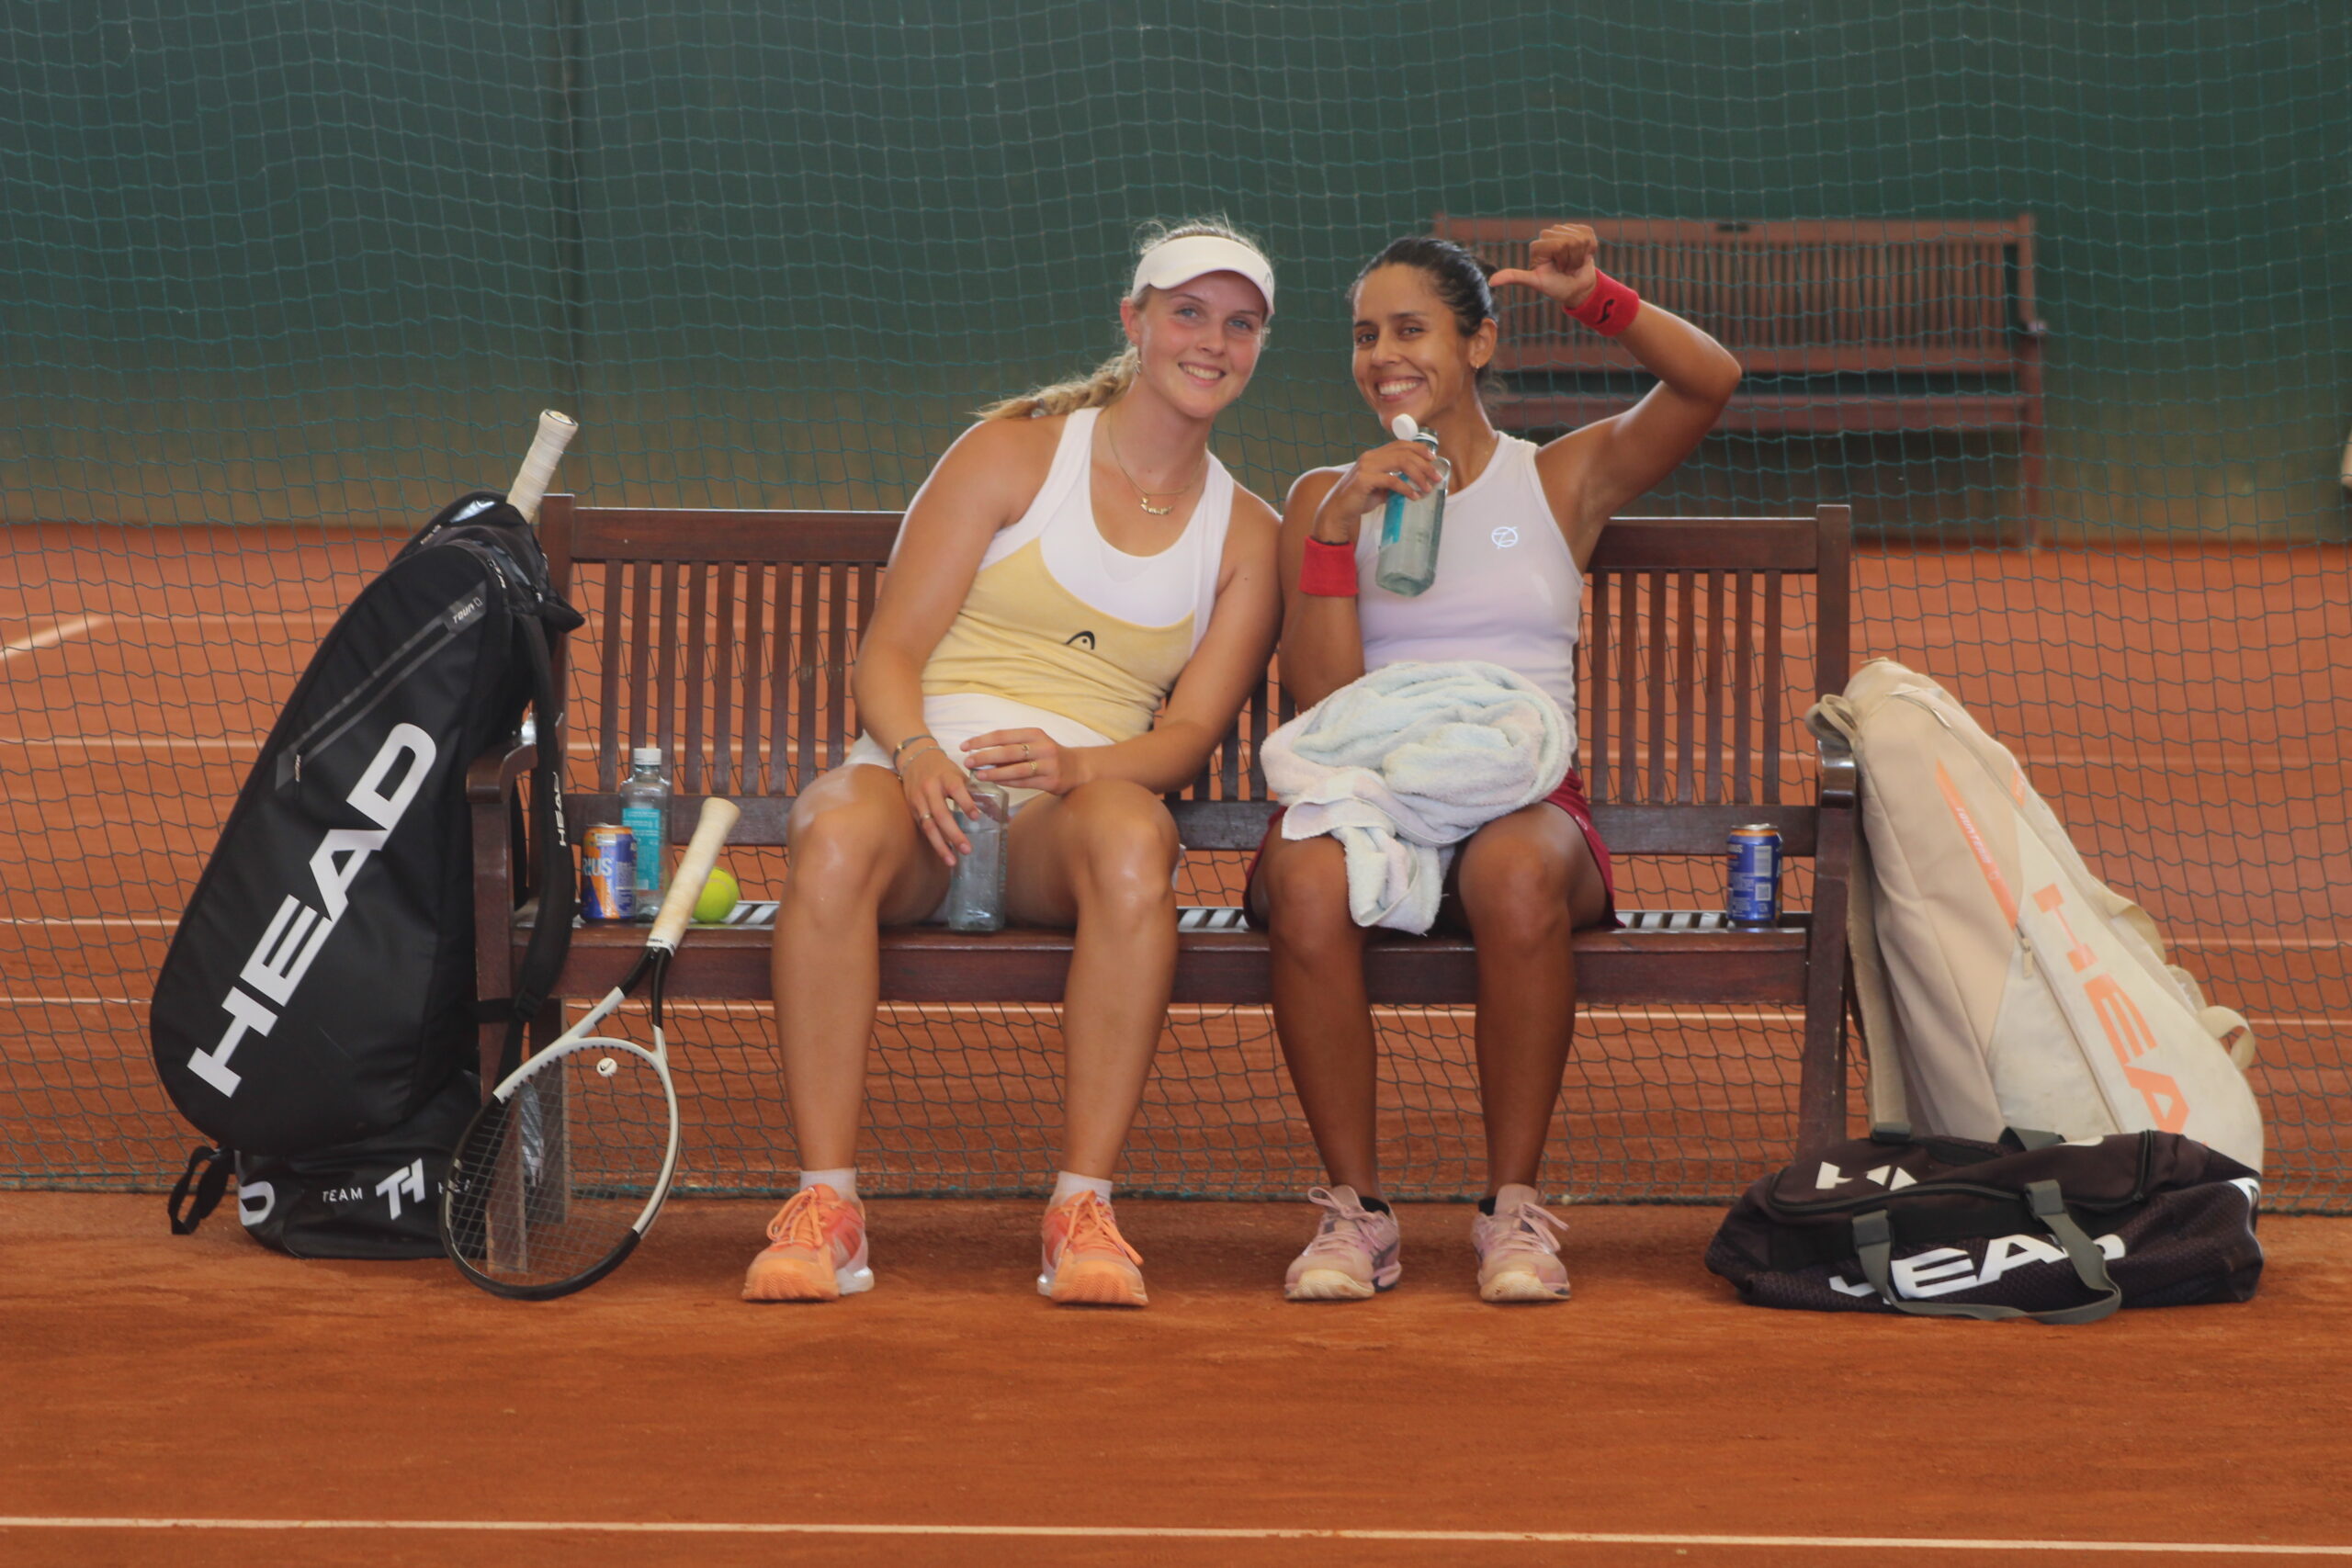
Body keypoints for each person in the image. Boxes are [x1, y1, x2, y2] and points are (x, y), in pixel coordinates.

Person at [744, 221, 1283, 1308]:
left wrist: (1078, 765)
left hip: (1058, 822)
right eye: (1187, 313)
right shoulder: (1011, 455)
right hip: (915, 796)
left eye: (1240, 325)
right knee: (832, 828)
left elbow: (1185, 737)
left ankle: (1081, 1210)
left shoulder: (1249, 536)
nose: (1211, 343)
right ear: (1134, 321)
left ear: (1258, 348)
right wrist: (914, 754)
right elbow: (888, 652)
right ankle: (827, 1207)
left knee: (1136, 839)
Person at [1253, 224, 1740, 1303]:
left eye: (1411, 329)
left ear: (1477, 344)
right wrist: (1335, 531)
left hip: (1520, 788)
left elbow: (1708, 383)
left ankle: (1511, 1211)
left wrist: (1597, 297)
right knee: (1304, 877)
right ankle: (1355, 1214)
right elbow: (1325, 704)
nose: (1384, 354)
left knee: (1514, 873)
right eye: (1365, 335)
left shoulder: (1556, 478)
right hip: (1372, 784)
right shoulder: (1322, 496)